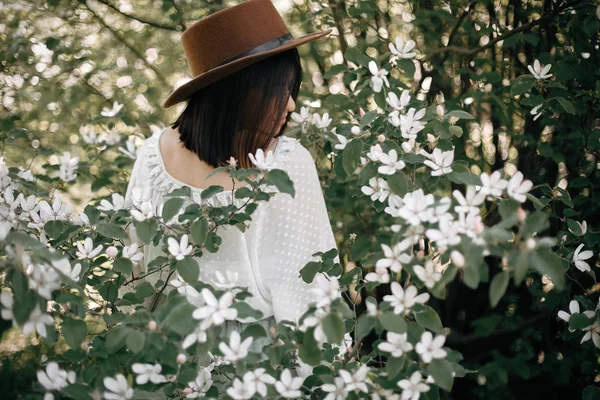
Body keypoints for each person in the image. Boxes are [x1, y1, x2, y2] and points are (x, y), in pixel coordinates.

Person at [119, 0, 342, 383]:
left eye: (293, 89)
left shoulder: (152, 155)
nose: (291, 105)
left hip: (167, 363)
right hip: (254, 368)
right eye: (279, 91)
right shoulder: (285, 164)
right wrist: (322, 378)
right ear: (240, 93)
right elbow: (307, 289)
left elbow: (135, 278)